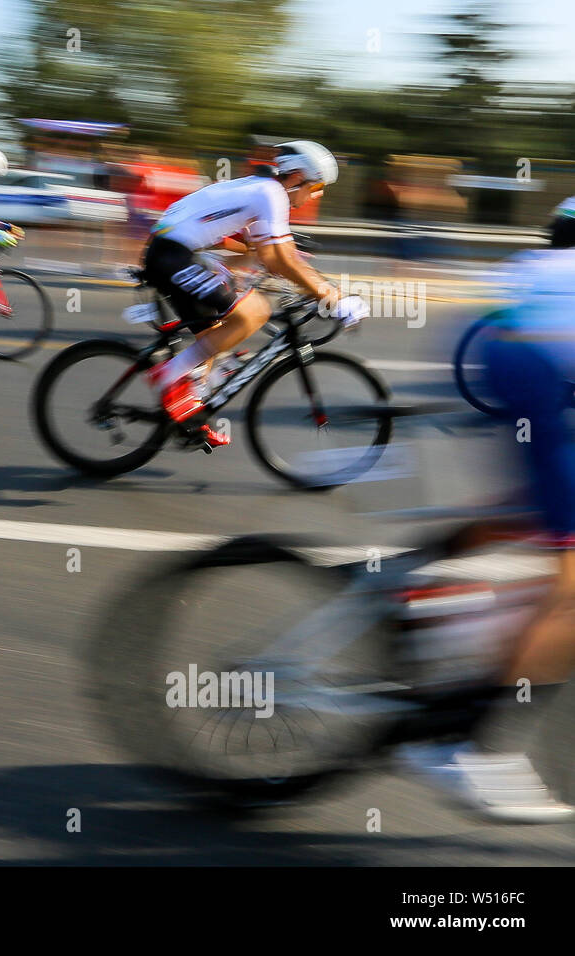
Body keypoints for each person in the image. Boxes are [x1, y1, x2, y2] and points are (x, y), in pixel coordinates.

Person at [395, 225, 575, 822]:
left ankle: (412, 582)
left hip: (510, 340)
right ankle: (460, 744)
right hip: (531, 357)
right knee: (571, 586)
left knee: (546, 514)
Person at [142, 141, 368, 446]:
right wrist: (332, 298)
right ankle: (170, 376)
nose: (319, 194)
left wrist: (314, 281)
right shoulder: (271, 194)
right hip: (173, 255)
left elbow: (272, 254)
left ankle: (189, 415)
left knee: (217, 334)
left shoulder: (263, 188)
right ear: (299, 175)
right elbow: (279, 259)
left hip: (175, 251)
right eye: (316, 186)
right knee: (255, 311)